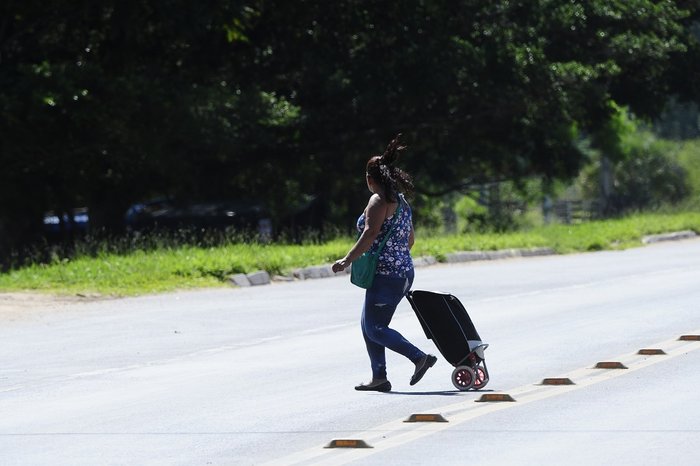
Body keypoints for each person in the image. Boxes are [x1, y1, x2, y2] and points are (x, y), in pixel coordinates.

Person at [332, 134, 437, 392]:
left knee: (376, 327)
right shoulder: (401, 202)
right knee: (369, 325)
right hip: (403, 272)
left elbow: (369, 234)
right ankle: (379, 378)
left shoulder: (378, 201)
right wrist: (396, 256)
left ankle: (419, 357)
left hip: (387, 275)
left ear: (370, 179)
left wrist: (347, 260)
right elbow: (410, 239)